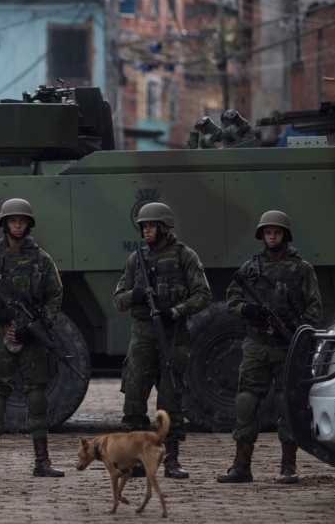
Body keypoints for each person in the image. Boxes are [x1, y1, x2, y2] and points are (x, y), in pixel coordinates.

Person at [218, 210, 322, 485]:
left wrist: (295, 327)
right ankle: (241, 467)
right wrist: (249, 311)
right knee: (246, 402)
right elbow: (232, 301)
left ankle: (288, 466)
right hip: (256, 346)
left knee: (285, 404)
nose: (271, 236)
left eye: (276, 232)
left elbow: (315, 308)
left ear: (285, 235)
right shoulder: (250, 269)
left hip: (287, 347)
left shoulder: (302, 269)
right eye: (267, 232)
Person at [0, 198, 65, 479]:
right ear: (4, 223)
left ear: (28, 224)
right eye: (13, 220)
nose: (17, 225)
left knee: (36, 393)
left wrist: (39, 323)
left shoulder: (41, 259)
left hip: (31, 334)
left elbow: (55, 295)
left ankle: (42, 462)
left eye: (22, 220)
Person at [112, 201, 211, 479]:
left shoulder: (184, 256)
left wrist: (176, 310)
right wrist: (137, 295)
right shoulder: (136, 260)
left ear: (164, 227)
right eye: (143, 226)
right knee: (133, 400)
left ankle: (171, 461)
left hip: (172, 335)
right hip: (142, 335)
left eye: (150, 225)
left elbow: (203, 294)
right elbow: (118, 299)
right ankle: (135, 460)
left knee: (170, 402)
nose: (145, 230)